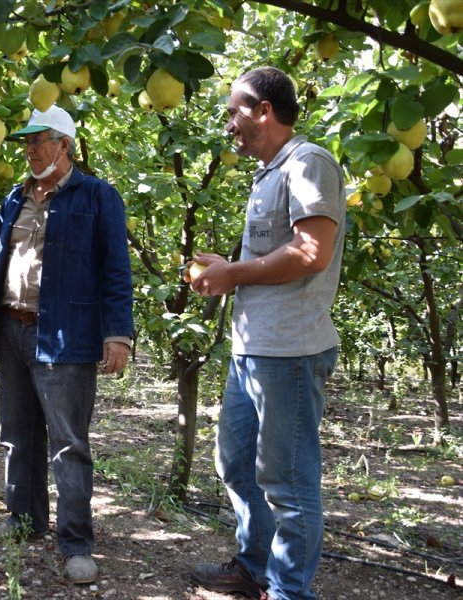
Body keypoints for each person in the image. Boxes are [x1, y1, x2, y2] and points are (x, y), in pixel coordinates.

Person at [0, 105, 133, 585]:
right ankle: (23, 520)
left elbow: (116, 269)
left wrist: (117, 333)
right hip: (13, 329)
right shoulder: (15, 198)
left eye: (37, 141)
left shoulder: (97, 196)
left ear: (64, 145)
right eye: (26, 142)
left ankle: (75, 541)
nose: (29, 150)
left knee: (68, 442)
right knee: (16, 433)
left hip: (65, 335)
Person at [187, 67, 346, 600]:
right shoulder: (268, 173)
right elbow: (277, 255)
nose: (227, 124)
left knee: (288, 482)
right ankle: (254, 566)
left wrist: (233, 274)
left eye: (233, 111)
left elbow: (310, 253)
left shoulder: (308, 163)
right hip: (253, 348)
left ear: (263, 110)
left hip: (289, 350)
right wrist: (230, 266)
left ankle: (288, 591)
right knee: (236, 463)